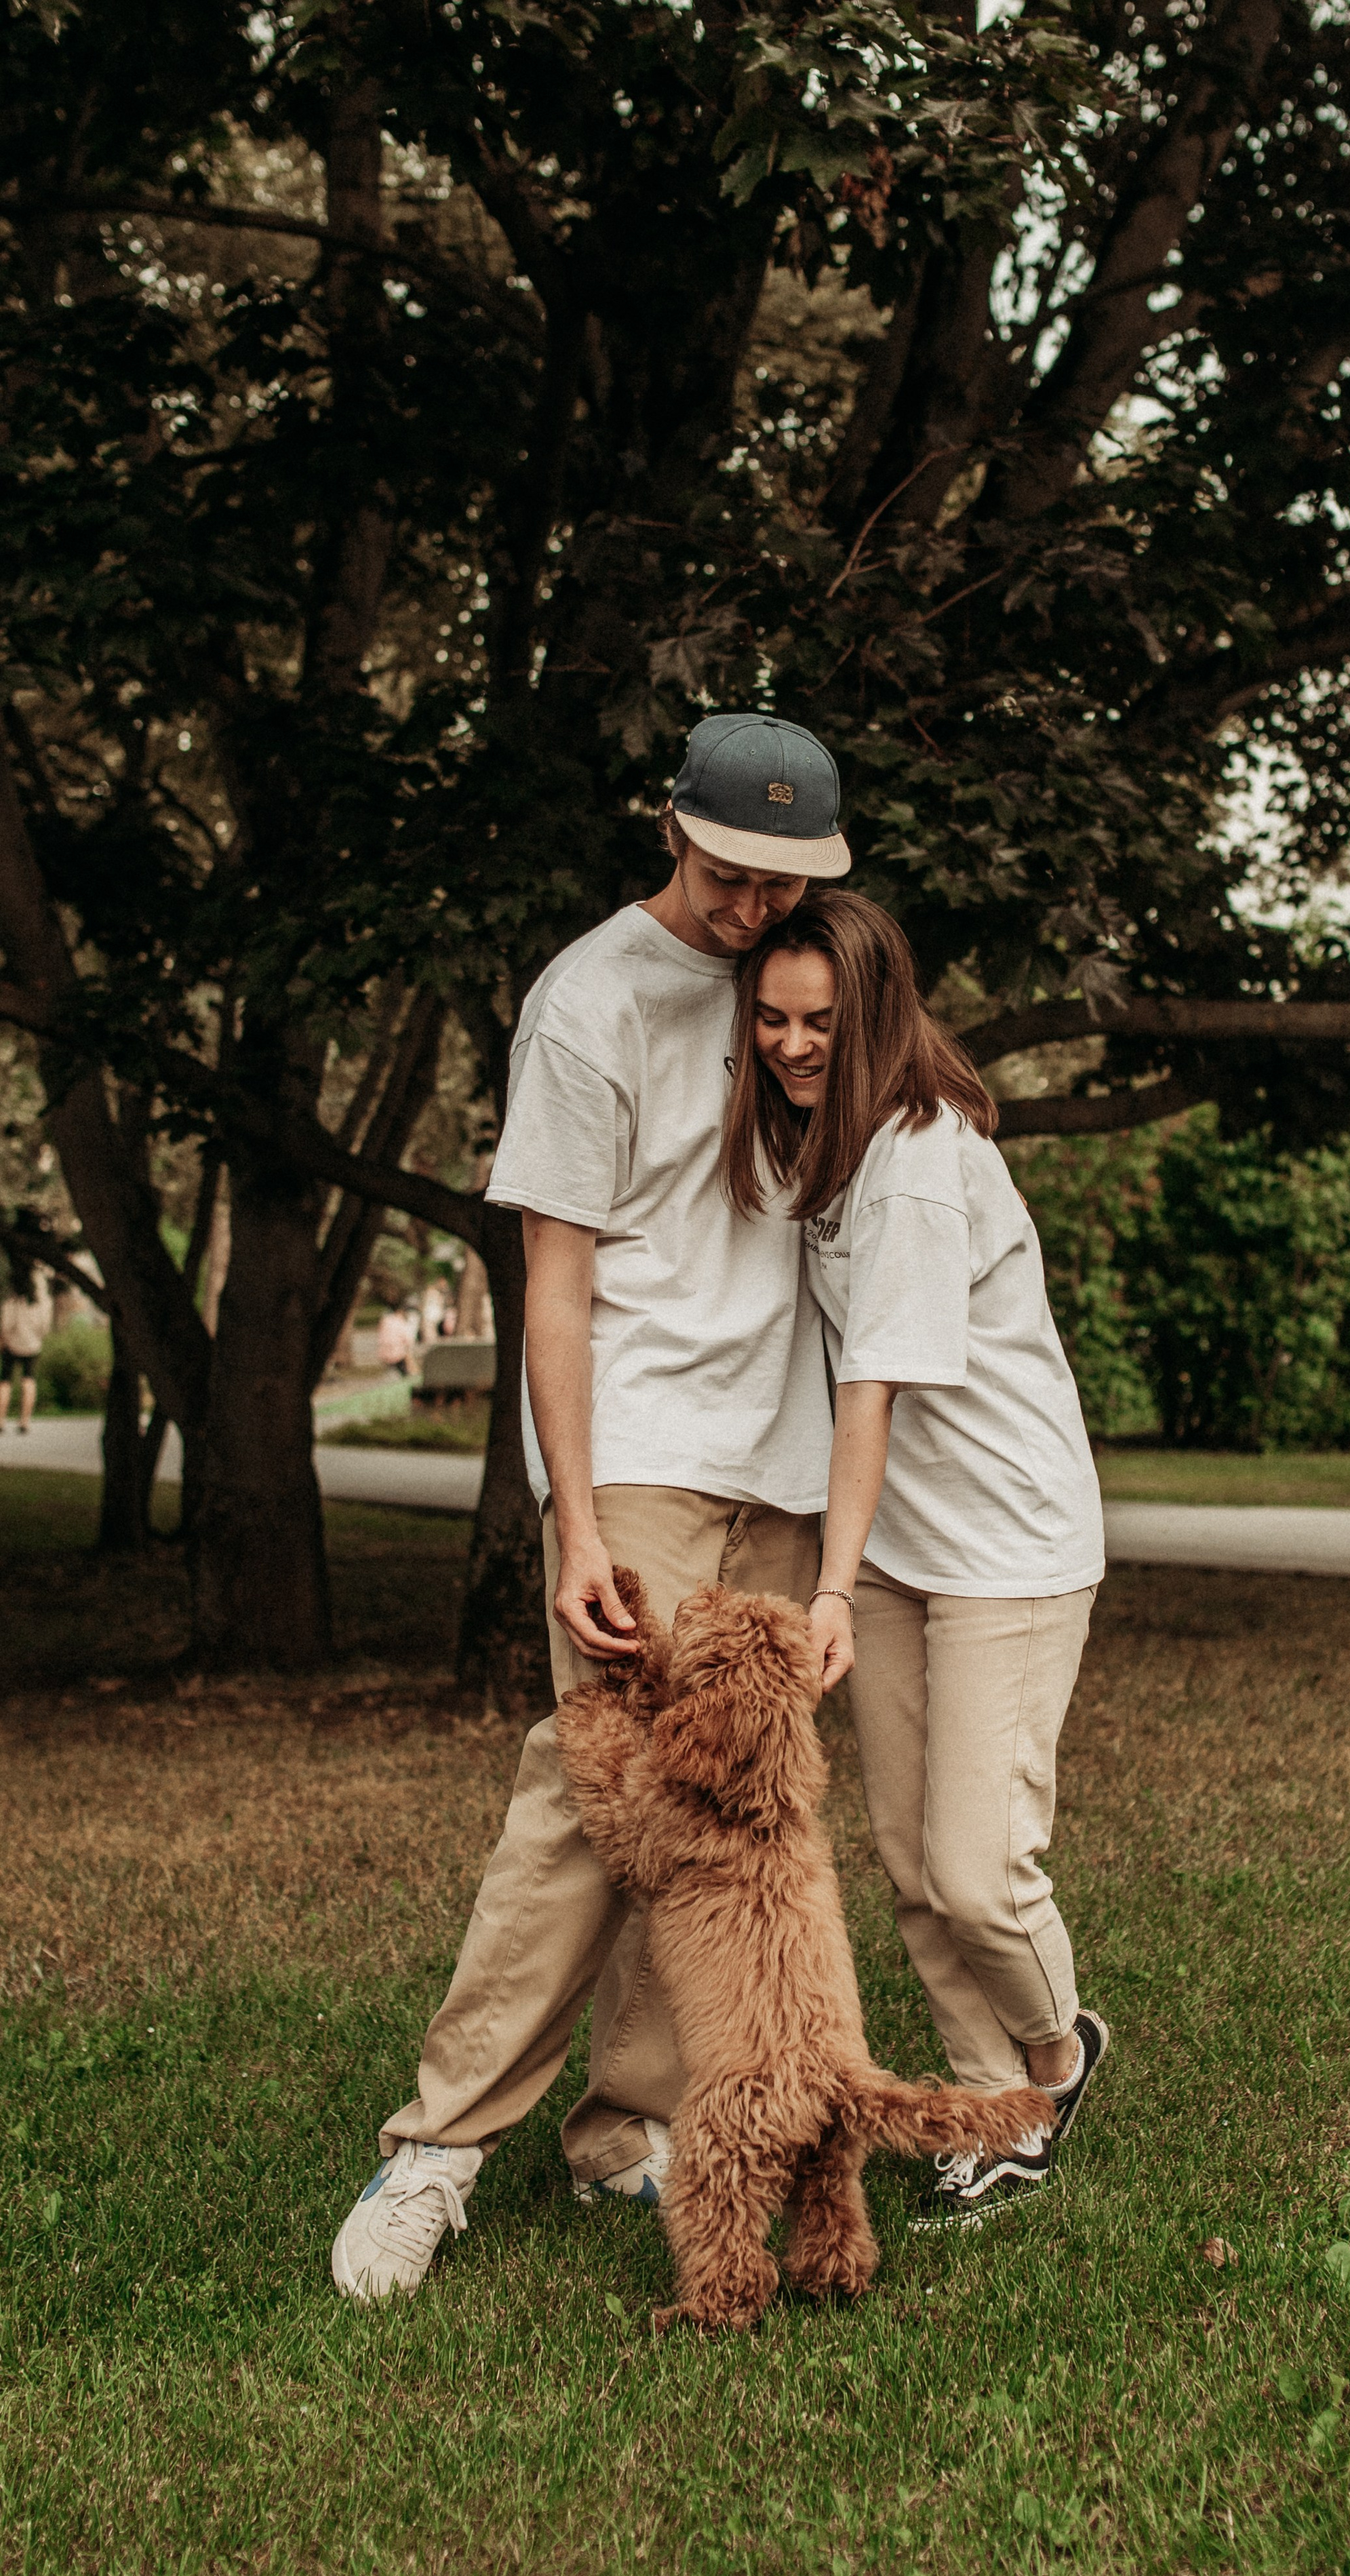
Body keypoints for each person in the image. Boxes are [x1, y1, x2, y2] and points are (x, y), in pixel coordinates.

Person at [332, 713, 849, 2301]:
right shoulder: (586, 1001)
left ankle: (630, 2122)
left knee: (728, 1814)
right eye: (729, 862)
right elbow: (550, 1285)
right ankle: (437, 2142)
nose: (755, 896)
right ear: (668, 824)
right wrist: (570, 1515)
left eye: (786, 873)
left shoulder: (815, 982)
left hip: (784, 1449)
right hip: (637, 1445)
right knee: (590, 1794)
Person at [723, 890, 1109, 2230]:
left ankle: (1057, 2055)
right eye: (769, 1017)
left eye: (819, 1020)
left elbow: (867, 1390)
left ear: (877, 1016)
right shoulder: (825, 1149)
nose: (789, 1043)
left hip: (1007, 1540)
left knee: (977, 1866)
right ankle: (983, 2105)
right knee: (902, 1854)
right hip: (896, 1545)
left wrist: (818, 1588)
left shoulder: (920, 1159)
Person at [1, 1267, 53, 1432]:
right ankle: (24, 1421)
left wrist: (6, 1339)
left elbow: (5, 1326)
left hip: (11, 1345)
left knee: (5, 1381)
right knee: (29, 1380)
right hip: (33, 1345)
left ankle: (1, 1420)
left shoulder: (11, 1302)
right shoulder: (42, 1304)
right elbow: (44, 1327)